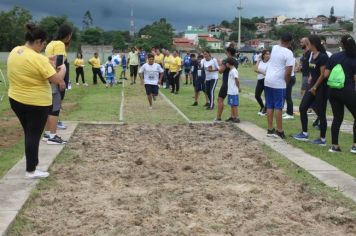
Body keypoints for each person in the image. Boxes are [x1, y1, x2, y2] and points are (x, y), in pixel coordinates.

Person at [7, 23, 66, 178]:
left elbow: (31, 61)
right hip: (35, 104)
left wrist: (46, 60)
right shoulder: (37, 59)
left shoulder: (16, 51)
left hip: (16, 99)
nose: (43, 47)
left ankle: (32, 165)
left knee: (29, 133)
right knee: (33, 136)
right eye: (43, 44)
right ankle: (31, 170)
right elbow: (57, 79)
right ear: (38, 42)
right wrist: (63, 68)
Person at [293, 35, 329, 145]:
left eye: (308, 43)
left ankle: (322, 139)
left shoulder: (323, 57)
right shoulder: (311, 55)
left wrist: (315, 87)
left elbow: (323, 75)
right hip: (312, 85)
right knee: (303, 107)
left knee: (321, 113)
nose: (306, 45)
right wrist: (310, 78)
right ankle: (304, 133)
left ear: (313, 44)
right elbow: (312, 70)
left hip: (321, 87)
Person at [325, 35, 356, 153]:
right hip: (347, 91)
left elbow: (326, 75)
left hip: (333, 91)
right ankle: (354, 146)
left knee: (337, 118)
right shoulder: (354, 58)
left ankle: (334, 146)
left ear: (341, 45)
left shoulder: (334, 56)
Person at [43, 24, 73, 144]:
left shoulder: (51, 43)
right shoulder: (60, 44)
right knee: (55, 108)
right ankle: (52, 136)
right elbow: (59, 63)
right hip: (56, 79)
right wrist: (60, 81)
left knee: (49, 107)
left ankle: (47, 134)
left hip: (50, 78)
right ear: (68, 35)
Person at [264, 33, 294, 139]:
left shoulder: (274, 47)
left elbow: (279, 43)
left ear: (281, 40)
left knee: (269, 105)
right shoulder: (289, 53)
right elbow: (288, 72)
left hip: (268, 80)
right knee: (278, 107)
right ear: (290, 42)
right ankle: (279, 130)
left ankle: (270, 129)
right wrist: (286, 82)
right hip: (278, 82)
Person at [216, 47, 238, 121]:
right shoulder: (236, 61)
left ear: (228, 52)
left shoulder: (226, 60)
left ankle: (218, 117)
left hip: (226, 83)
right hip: (232, 84)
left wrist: (219, 64)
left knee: (220, 99)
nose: (225, 52)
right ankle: (233, 116)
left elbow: (221, 71)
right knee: (232, 101)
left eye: (226, 51)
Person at [254, 49, 270, 116]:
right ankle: (262, 107)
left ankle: (265, 110)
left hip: (267, 80)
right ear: (263, 55)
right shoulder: (260, 61)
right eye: (266, 54)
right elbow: (255, 69)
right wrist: (263, 72)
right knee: (257, 95)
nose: (268, 55)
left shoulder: (270, 62)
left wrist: (262, 73)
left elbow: (269, 73)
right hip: (260, 80)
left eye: (269, 54)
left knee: (267, 96)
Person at [225, 57, 241, 123]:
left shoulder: (234, 71)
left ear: (228, 64)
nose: (225, 64)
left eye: (226, 63)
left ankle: (236, 117)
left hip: (233, 91)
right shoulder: (231, 70)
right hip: (230, 91)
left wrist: (239, 88)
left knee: (234, 105)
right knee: (232, 104)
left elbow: (237, 80)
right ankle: (232, 116)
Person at [283, 49, 297, 120]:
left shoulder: (290, 59)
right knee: (287, 96)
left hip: (290, 78)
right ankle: (288, 112)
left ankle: (290, 113)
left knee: (288, 96)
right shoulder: (292, 59)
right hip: (291, 77)